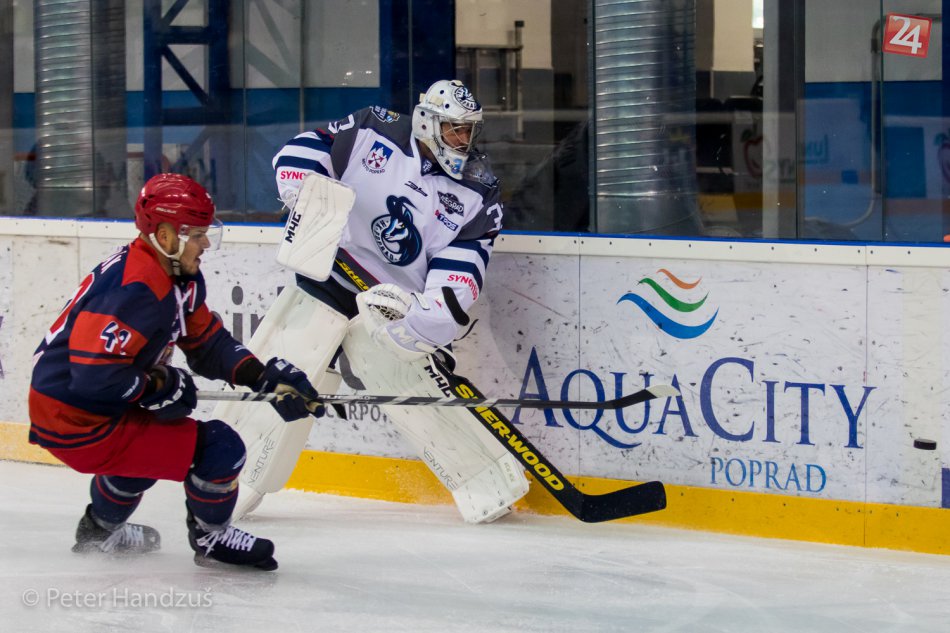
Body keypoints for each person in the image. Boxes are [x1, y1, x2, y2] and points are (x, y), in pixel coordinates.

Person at [222, 79, 530, 524]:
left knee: (413, 390)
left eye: (469, 130)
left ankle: (488, 487)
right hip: (329, 277)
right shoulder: (373, 128)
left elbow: (464, 265)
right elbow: (309, 148)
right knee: (283, 372)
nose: (464, 140)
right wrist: (303, 189)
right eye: (454, 129)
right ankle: (229, 481)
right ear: (427, 122)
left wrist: (426, 322)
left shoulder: (478, 190)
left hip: (391, 305)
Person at [28, 173, 323, 571]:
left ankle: (99, 532)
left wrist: (262, 376)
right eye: (197, 235)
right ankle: (211, 538)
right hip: (75, 417)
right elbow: (93, 376)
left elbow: (207, 344)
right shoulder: (137, 287)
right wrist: (156, 385)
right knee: (220, 447)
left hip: (76, 406)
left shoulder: (175, 275)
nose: (206, 244)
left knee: (148, 450)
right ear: (165, 236)